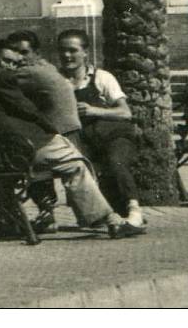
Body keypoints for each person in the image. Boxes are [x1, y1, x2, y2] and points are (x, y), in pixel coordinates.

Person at [0, 40, 145, 239]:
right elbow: (27, 109)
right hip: (20, 148)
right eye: (6, 61)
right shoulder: (1, 77)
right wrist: (51, 128)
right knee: (76, 165)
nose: (10, 67)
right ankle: (111, 221)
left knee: (62, 162)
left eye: (14, 63)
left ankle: (46, 214)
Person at [57, 29, 145, 228]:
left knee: (116, 162)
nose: (67, 56)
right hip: (82, 139)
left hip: (114, 135)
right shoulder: (57, 82)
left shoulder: (101, 77)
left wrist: (93, 110)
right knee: (73, 168)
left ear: (85, 52)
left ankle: (135, 211)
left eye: (73, 50)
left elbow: (125, 112)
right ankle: (94, 214)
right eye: (62, 51)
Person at [7, 30, 83, 233]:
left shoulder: (27, 72)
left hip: (60, 134)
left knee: (30, 159)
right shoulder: (46, 66)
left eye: (24, 52)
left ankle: (46, 213)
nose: (18, 57)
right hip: (71, 130)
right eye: (14, 52)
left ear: (35, 53)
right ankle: (56, 214)